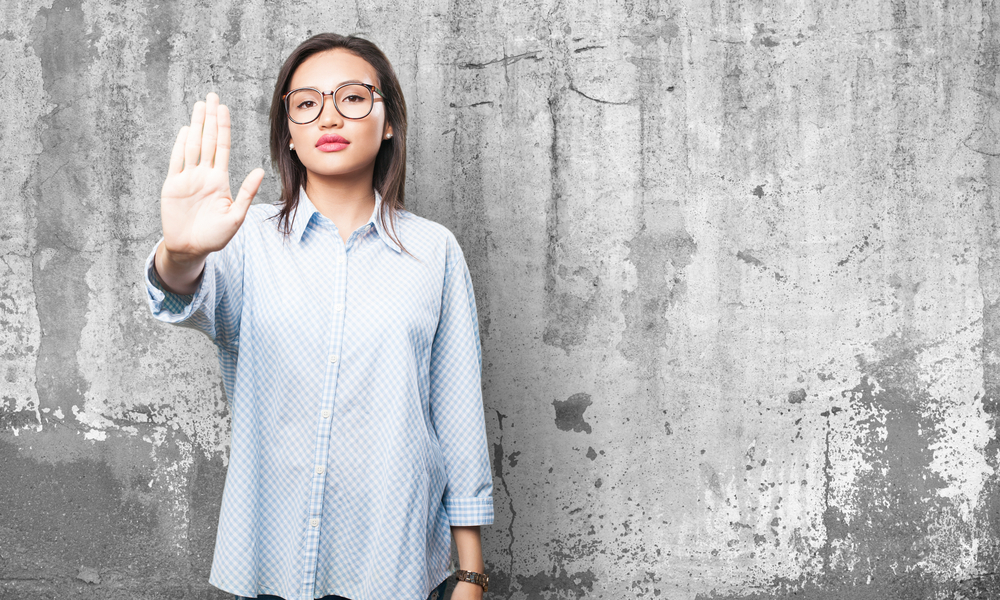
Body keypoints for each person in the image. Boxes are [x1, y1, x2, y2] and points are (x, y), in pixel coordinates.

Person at [143, 33, 494, 600]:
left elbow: (456, 414)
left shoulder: (435, 251)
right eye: (306, 103)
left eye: (352, 97)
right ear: (289, 130)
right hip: (271, 560)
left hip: (395, 558)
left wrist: (471, 575)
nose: (329, 114)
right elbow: (182, 296)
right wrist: (180, 254)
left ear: (388, 123)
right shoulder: (244, 239)